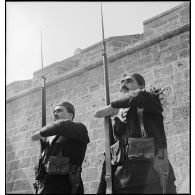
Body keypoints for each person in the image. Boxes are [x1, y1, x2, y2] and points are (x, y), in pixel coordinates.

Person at [95, 73, 176, 194]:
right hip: (122, 182)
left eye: (129, 81)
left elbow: (139, 96)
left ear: (141, 85)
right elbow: (109, 154)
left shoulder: (149, 99)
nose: (124, 84)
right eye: (122, 82)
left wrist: (112, 106)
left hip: (150, 177)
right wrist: (103, 189)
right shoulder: (117, 116)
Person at [31, 101, 90, 194]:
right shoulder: (51, 139)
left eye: (59, 111)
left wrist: (41, 132)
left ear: (70, 115)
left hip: (66, 188)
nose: (55, 114)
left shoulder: (80, 129)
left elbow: (62, 125)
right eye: (54, 112)